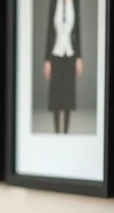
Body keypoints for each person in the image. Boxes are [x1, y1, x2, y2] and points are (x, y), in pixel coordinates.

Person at [44, 0, 83, 134]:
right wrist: (47, 60)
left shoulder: (75, 3)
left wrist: (79, 57)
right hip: (56, 52)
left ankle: (66, 132)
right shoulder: (54, 3)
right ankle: (57, 132)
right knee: (56, 94)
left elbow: (77, 30)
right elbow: (49, 30)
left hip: (70, 53)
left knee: (68, 94)